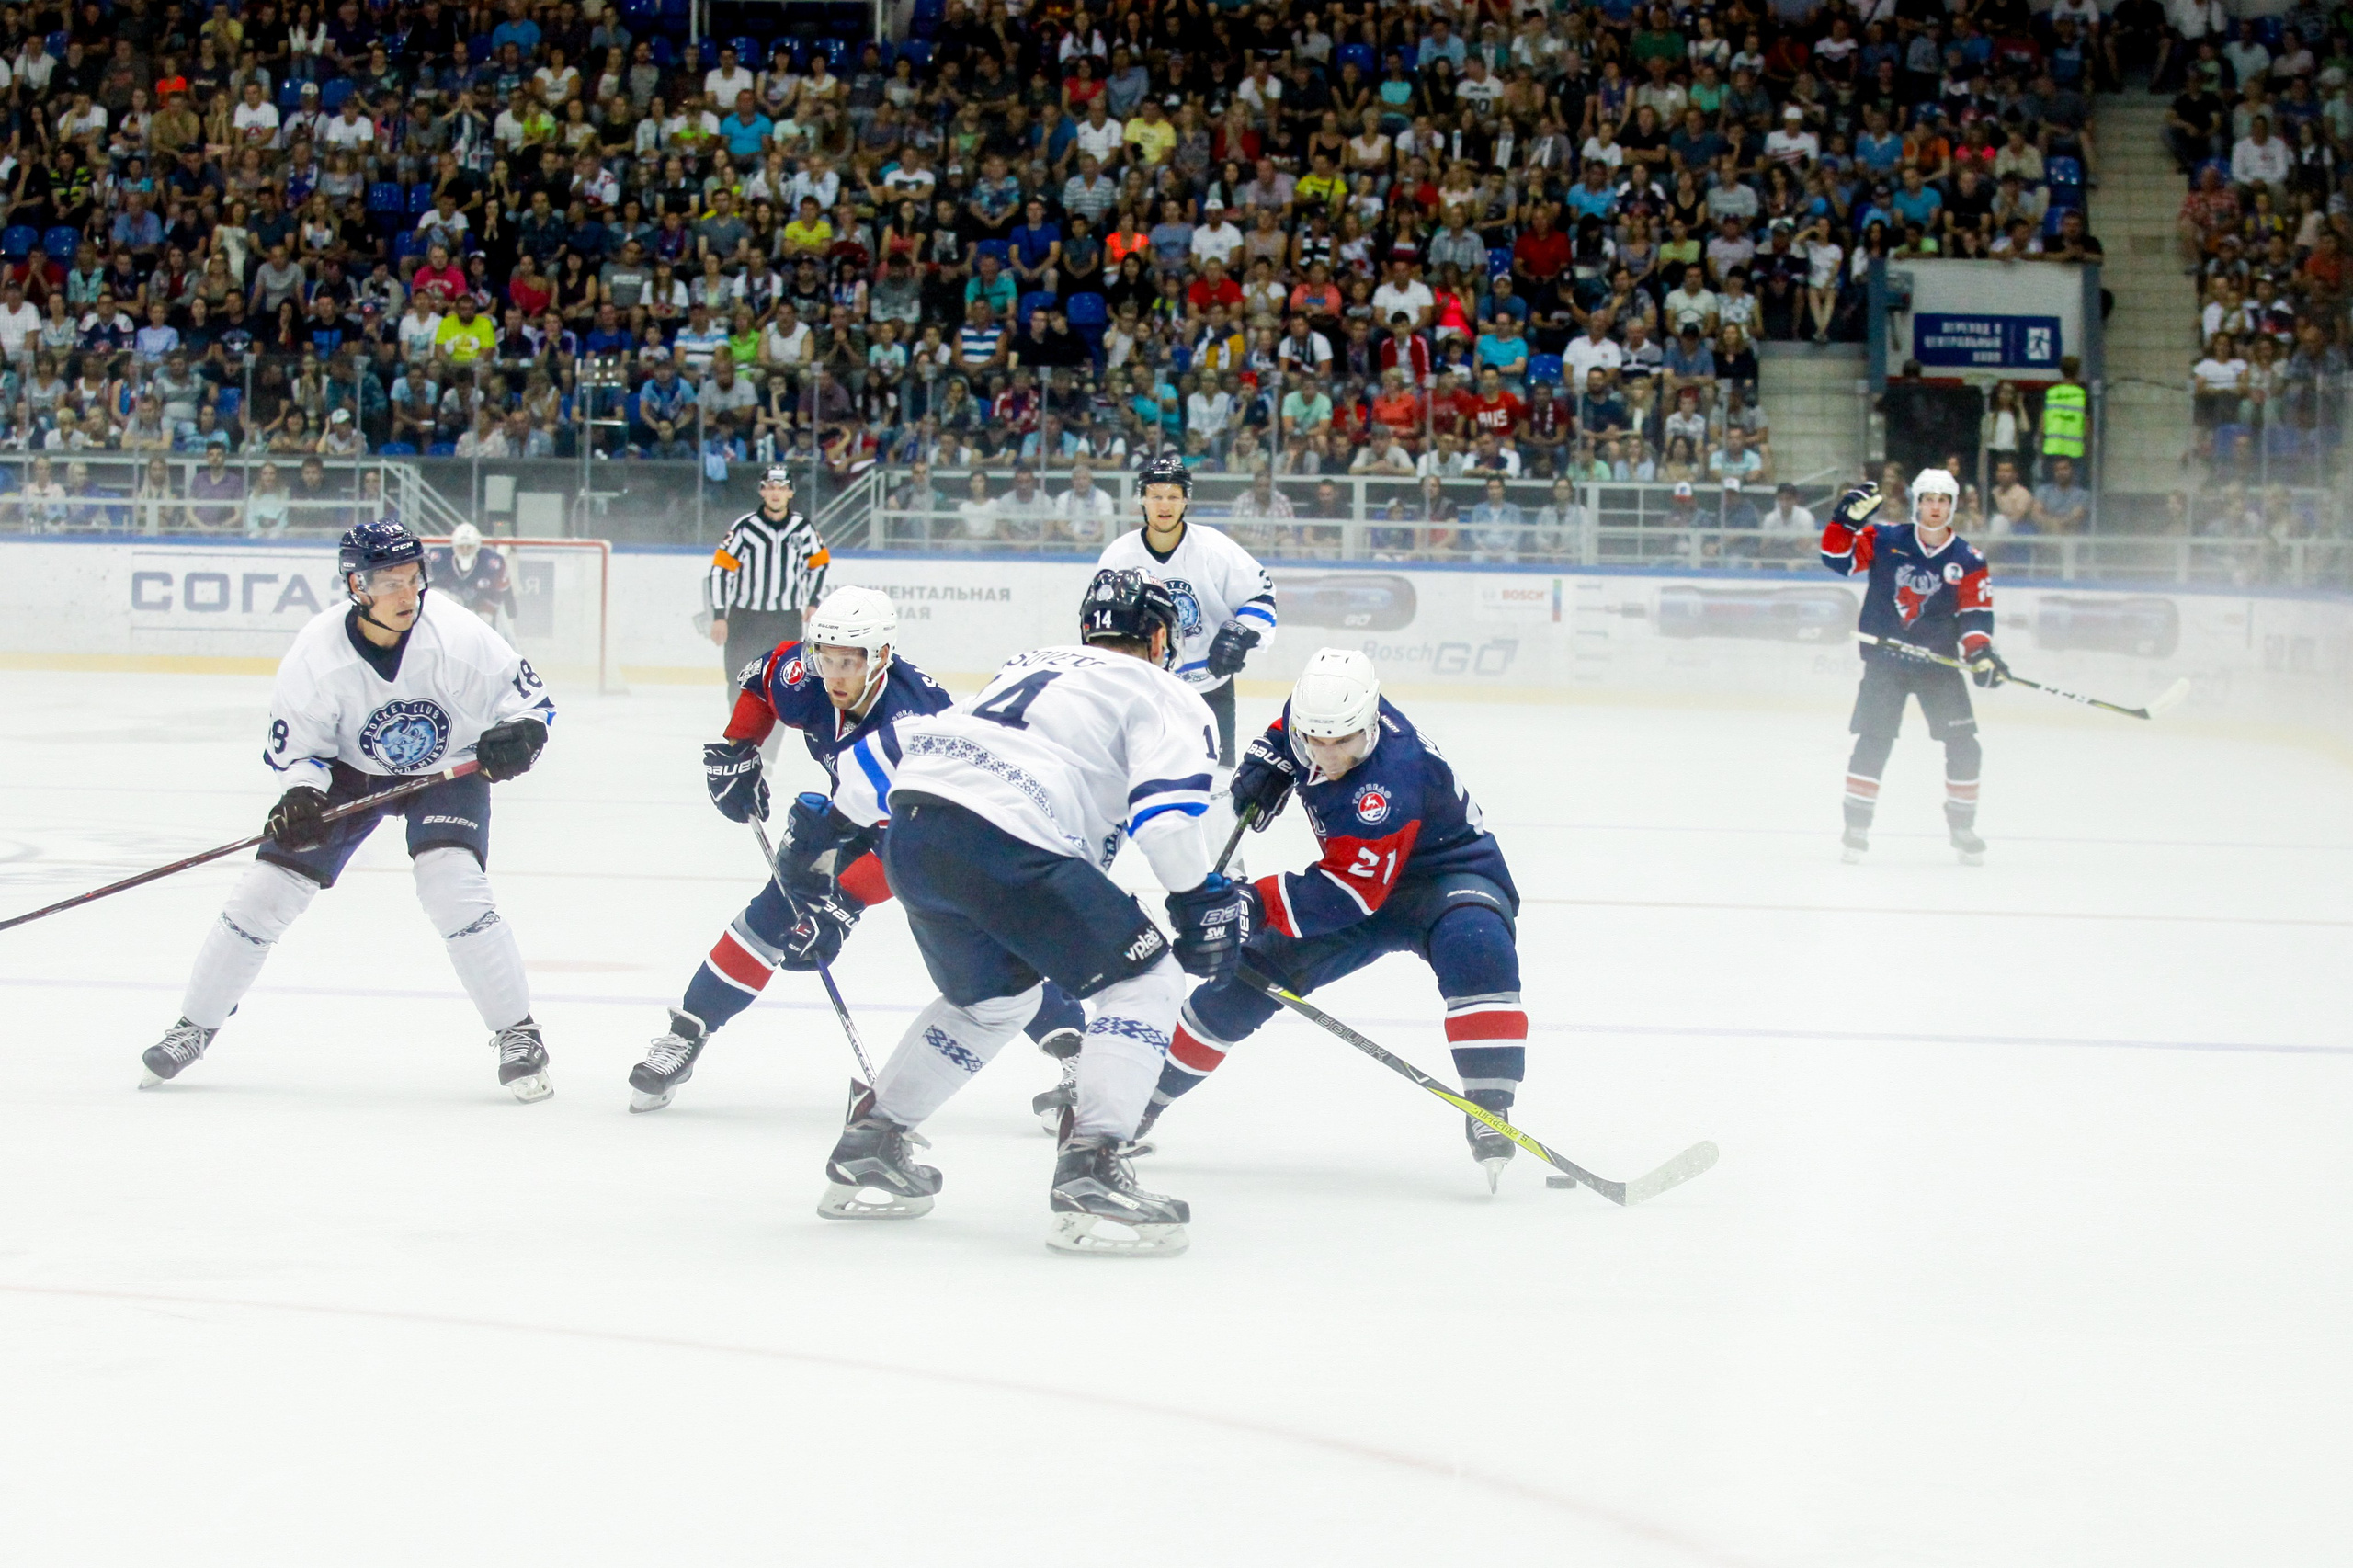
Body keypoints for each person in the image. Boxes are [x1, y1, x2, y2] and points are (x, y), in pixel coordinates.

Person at [804, 568, 1245, 1256]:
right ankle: (1093, 1165)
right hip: (1011, 838)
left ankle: (874, 1140)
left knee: (993, 1004)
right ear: (1161, 638)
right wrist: (1202, 903)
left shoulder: (1027, 665)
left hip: (915, 832)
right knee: (1148, 980)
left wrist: (821, 840)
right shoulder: (1165, 692)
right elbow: (1164, 823)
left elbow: (885, 756)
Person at [137, 521, 559, 1099]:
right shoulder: (317, 654)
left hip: (446, 770)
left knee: (452, 886)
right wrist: (302, 794)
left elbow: (532, 701)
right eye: (391, 582)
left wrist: (521, 734)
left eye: (414, 578)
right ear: (357, 586)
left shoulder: (458, 634)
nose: (408, 594)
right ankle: (194, 1025)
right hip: (349, 774)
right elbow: (300, 755)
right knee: (265, 892)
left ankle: (518, 1032)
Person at [635, 585, 1092, 1112]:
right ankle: (688, 1032)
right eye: (825, 658)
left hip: (949, 832)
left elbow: (911, 846)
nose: (833, 674)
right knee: (774, 913)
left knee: (994, 947)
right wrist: (741, 747)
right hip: (853, 817)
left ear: (881, 659)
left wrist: (844, 903)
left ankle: (1079, 1054)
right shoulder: (809, 675)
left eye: (847, 662)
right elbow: (761, 683)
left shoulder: (915, 724)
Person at [1139, 648, 1530, 1187]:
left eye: (1341, 742)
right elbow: (1292, 725)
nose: (1325, 755)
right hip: (1356, 880)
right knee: (1245, 980)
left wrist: (1251, 905)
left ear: (1368, 724)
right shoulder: (1325, 712)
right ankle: (1138, 1102)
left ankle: (1490, 1109)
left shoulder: (1387, 783)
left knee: (1477, 947)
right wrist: (1271, 754)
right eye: (1313, 741)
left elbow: (1348, 896)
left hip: (1442, 877)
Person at [1817, 471, 2009, 868]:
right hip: (1886, 663)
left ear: (1952, 506)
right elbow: (1837, 560)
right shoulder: (1884, 538)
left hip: (1937, 666)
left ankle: (1962, 827)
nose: (1935, 507)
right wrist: (1845, 523)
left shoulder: (1968, 560)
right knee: (1874, 741)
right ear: (1916, 502)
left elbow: (1975, 617)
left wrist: (1981, 655)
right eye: (1928, 499)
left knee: (1965, 745)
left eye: (1943, 500)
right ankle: (1856, 827)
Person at [1095, 454, 1279, 847]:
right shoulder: (1119, 556)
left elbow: (1261, 594)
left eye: (1173, 496)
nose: (1164, 505)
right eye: (1156, 495)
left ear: (1185, 501)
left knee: (1216, 785)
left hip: (1209, 689)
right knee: (1130, 782)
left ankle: (1226, 878)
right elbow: (1100, 625)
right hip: (1144, 691)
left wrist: (1239, 632)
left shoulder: (1213, 547)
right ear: (1142, 499)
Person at [707, 464, 831, 687]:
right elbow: (720, 571)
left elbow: (819, 564)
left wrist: (813, 602)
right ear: (762, 491)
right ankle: (741, 724)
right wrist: (719, 615)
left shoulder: (802, 529)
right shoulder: (745, 528)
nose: (776, 493)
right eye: (770, 487)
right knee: (740, 680)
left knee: (784, 684)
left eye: (782, 488)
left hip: (786, 618)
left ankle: (775, 725)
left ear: (791, 492)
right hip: (745, 618)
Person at [425, 521, 517, 623]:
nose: (465, 551)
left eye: (469, 547)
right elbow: (421, 584)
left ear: (477, 546)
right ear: (454, 546)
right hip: (451, 603)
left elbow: (504, 590)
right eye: (461, 547)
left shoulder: (491, 561)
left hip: (481, 603)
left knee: (485, 620)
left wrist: (512, 614)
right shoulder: (438, 558)